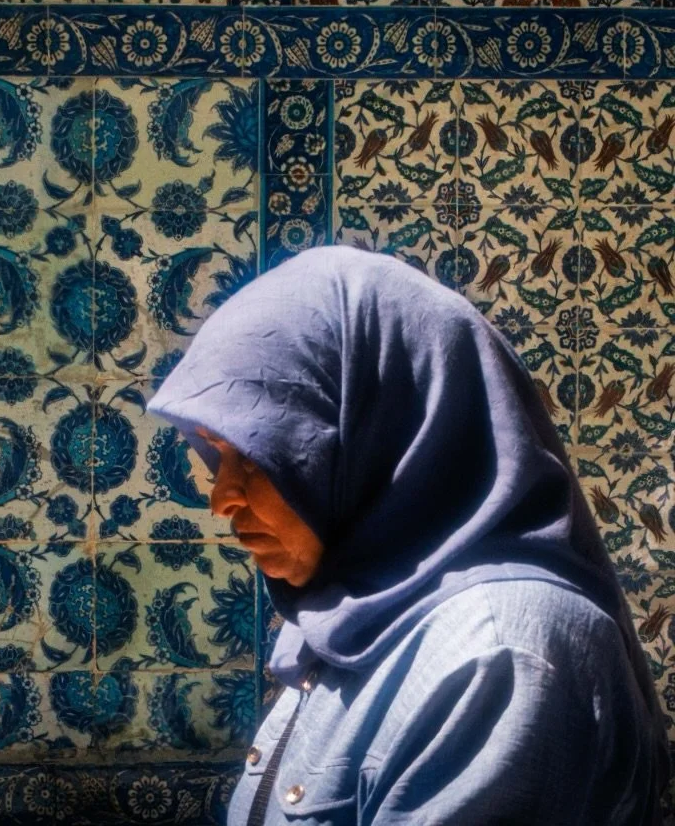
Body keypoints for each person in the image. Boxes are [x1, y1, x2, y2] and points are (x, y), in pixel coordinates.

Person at [147, 245, 669, 825]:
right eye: (214, 458)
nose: (222, 499)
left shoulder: (497, 656)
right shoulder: (371, 620)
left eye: (253, 454)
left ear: (375, 432)